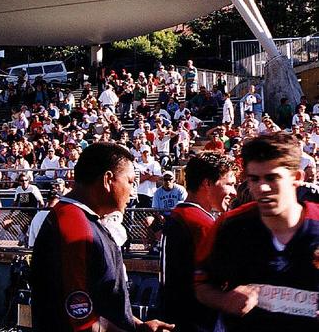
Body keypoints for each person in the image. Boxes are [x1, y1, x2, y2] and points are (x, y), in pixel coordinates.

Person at [30, 142, 174, 332]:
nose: (132, 192)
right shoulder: (74, 226)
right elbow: (81, 319)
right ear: (107, 180)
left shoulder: (85, 221)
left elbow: (102, 302)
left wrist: (138, 326)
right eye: (130, 182)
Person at [195, 133, 319, 331]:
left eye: (272, 178)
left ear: (296, 178)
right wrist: (225, 300)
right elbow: (201, 285)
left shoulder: (316, 225)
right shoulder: (230, 227)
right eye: (254, 178)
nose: (262, 187)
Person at [161, 152, 238, 331]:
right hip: (199, 322)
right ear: (207, 183)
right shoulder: (200, 223)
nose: (234, 192)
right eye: (229, 184)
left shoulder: (180, 215)